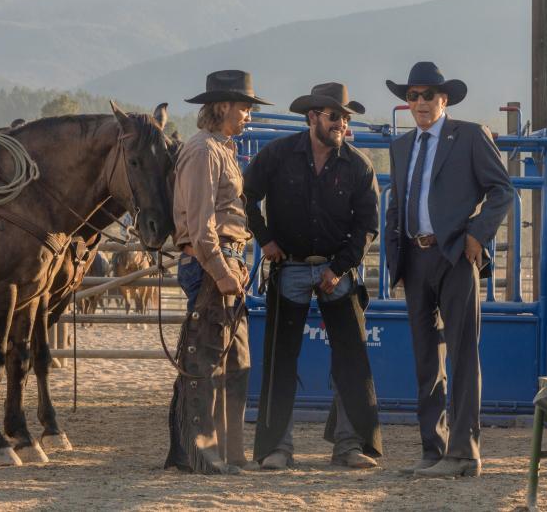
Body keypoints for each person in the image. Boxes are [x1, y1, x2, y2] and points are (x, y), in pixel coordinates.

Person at [384, 61, 513, 478]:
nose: (420, 103)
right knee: (426, 358)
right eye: (412, 96)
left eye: (427, 95)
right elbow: (396, 205)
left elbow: (502, 190)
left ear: (444, 99)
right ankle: (432, 450)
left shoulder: (471, 136)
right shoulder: (402, 146)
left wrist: (477, 236)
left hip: (456, 254)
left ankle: (463, 453)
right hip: (414, 258)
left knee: (461, 353)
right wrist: (396, 260)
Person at [244, 82, 383, 471]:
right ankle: (277, 448)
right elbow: (246, 195)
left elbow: (367, 227)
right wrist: (265, 238)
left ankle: (349, 446)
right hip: (288, 265)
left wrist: (339, 268)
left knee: (351, 358)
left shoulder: (358, 165)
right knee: (280, 358)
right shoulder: (277, 155)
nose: (341, 122)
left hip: (336, 270)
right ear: (312, 117)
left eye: (344, 117)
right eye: (334, 115)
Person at [164, 69, 272, 475]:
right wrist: (222, 268)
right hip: (214, 265)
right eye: (244, 107)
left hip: (226, 263)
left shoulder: (218, 149)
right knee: (207, 359)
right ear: (223, 106)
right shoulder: (205, 151)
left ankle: (223, 452)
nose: (248, 114)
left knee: (232, 361)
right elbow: (200, 220)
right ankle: (201, 453)